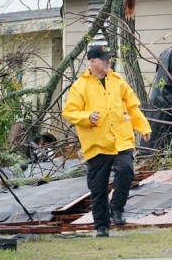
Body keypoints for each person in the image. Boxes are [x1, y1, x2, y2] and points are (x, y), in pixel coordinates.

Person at [62, 44, 151, 238]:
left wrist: (143, 127)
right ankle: (101, 226)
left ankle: (117, 208)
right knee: (98, 187)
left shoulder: (118, 81)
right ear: (92, 61)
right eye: (104, 59)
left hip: (121, 139)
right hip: (97, 144)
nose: (108, 61)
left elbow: (133, 106)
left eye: (109, 58)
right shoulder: (80, 86)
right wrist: (87, 117)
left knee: (126, 170)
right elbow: (69, 111)